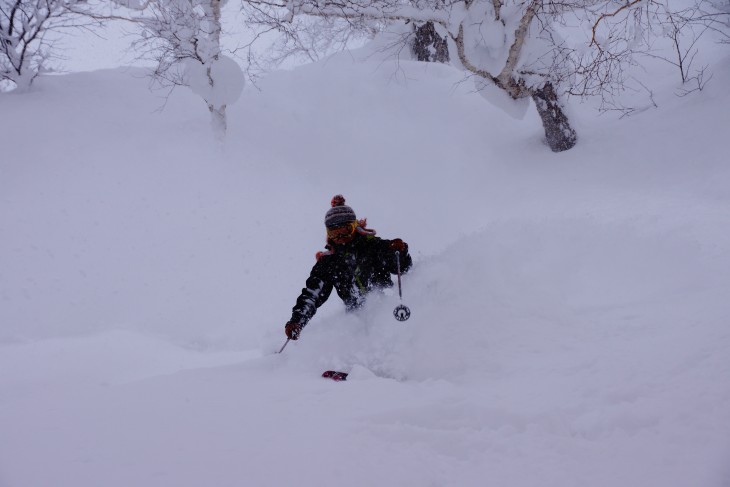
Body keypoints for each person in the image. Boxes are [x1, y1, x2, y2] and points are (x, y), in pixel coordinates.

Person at [284, 195, 412, 340]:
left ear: (354, 227)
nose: (340, 237)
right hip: (357, 323)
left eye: (345, 230)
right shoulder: (328, 262)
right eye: (334, 233)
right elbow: (312, 294)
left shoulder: (373, 246)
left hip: (388, 312)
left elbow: (403, 268)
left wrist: (400, 252)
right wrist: (297, 321)